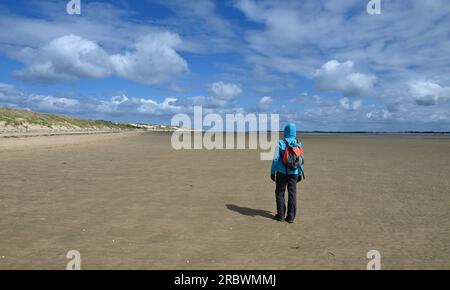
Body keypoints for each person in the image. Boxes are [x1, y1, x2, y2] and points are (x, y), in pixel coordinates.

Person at [270, 123, 304, 223]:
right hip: (294, 172)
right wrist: (300, 173)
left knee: (280, 192)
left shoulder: (281, 143)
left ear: (285, 131)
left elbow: (276, 159)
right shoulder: (298, 143)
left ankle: (280, 215)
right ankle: (291, 217)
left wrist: (272, 172)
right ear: (294, 132)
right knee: (292, 194)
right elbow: (301, 159)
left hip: (281, 172)